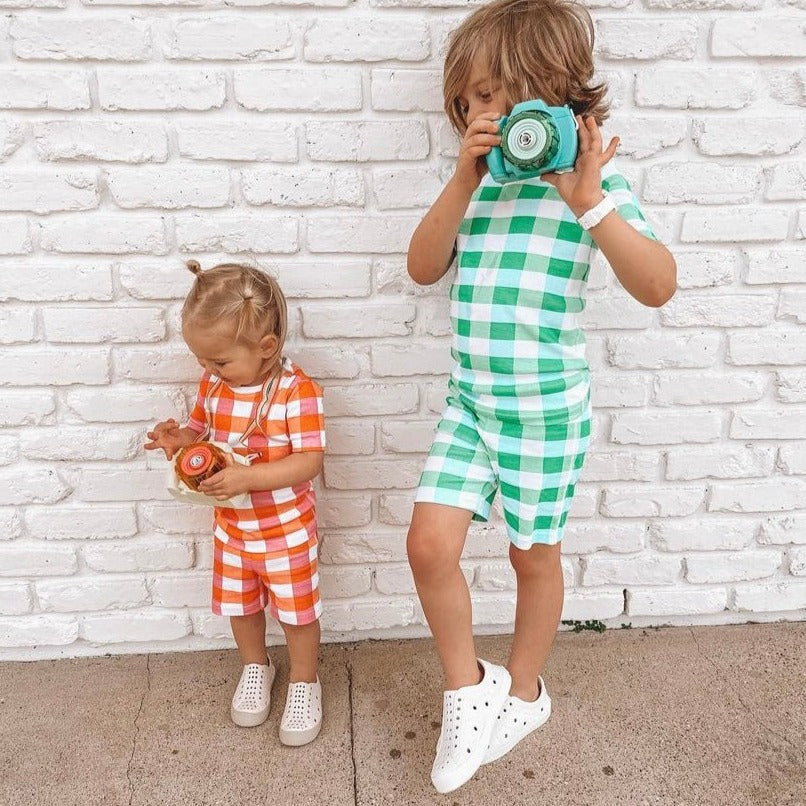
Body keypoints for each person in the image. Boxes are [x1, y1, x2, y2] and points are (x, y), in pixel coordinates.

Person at [406, 0, 677, 793]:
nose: (487, 114)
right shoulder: (479, 185)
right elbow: (424, 267)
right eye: (473, 100)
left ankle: (524, 693)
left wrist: (587, 199)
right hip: (472, 403)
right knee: (429, 546)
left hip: (547, 411)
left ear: (560, 96)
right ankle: (468, 689)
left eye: (503, 95)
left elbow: (658, 284)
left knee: (533, 555)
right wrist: (461, 180)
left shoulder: (593, 184)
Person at [145, 260, 326, 746]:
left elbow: (309, 460)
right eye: (203, 361)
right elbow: (202, 430)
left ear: (266, 348)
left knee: (296, 610)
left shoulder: (296, 392)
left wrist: (249, 476)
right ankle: (255, 667)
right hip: (232, 527)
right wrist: (179, 438)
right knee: (240, 605)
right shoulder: (213, 385)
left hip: (285, 530)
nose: (208, 371)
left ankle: (305, 680)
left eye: (219, 362)